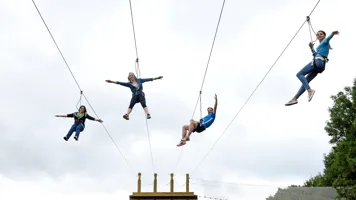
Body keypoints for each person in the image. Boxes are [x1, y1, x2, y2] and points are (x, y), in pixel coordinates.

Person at [285, 30, 339, 106]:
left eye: (321, 34)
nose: (319, 35)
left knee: (299, 74)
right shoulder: (321, 46)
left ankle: (309, 91)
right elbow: (315, 54)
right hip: (320, 66)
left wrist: (332, 34)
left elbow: (327, 39)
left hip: (318, 62)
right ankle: (295, 99)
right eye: (317, 35)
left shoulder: (325, 42)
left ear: (324, 36)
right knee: (305, 82)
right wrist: (311, 48)